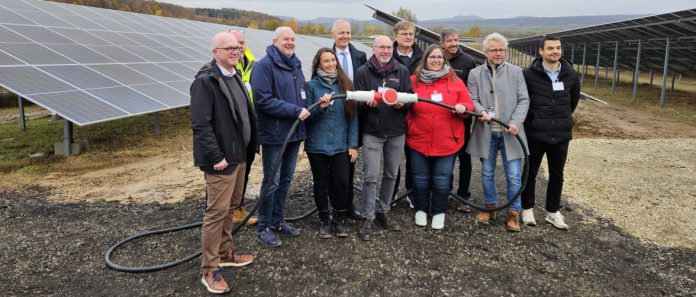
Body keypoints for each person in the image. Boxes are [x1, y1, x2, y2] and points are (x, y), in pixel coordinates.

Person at [190, 32, 256, 294]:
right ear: (215, 51)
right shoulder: (206, 82)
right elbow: (200, 124)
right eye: (228, 48)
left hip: (239, 156)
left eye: (237, 48)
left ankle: (226, 253)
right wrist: (216, 157)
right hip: (221, 161)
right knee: (216, 214)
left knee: (230, 208)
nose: (235, 52)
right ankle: (209, 269)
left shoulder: (235, 75)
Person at [251, 26, 308, 247]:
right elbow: (263, 100)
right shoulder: (264, 66)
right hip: (275, 135)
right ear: (275, 41)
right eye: (286, 39)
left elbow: (301, 95)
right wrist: (295, 111)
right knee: (272, 181)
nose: (290, 43)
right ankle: (263, 226)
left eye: (293, 39)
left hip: (294, 134)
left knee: (285, 179)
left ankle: (277, 220)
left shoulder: (295, 65)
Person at [466, 32, 529, 232]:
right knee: (486, 172)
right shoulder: (475, 74)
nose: (498, 53)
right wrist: (481, 111)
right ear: (485, 52)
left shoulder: (517, 72)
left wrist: (516, 122)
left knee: (513, 175)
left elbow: (524, 99)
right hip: (487, 132)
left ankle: (513, 213)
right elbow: (472, 99)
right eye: (494, 50)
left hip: (511, 133)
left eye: (502, 50)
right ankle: (490, 207)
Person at [407, 44, 474, 229]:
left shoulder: (454, 81)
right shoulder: (414, 81)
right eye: (432, 57)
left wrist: (464, 109)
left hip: (446, 140)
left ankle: (439, 211)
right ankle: (421, 209)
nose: (436, 60)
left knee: (442, 177)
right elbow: (404, 104)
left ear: (444, 60)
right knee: (420, 177)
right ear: (425, 60)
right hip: (418, 138)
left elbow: (468, 103)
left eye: (439, 57)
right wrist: (409, 123)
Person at [353, 35, 413, 241]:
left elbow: (410, 99)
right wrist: (366, 103)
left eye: (389, 47)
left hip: (396, 132)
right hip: (373, 132)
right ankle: (368, 217)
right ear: (374, 48)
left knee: (391, 175)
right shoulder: (363, 72)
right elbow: (357, 101)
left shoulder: (401, 71)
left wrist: (402, 104)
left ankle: (383, 212)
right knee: (370, 176)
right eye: (382, 47)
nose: (386, 50)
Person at [521, 36, 580, 230]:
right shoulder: (529, 75)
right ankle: (527, 208)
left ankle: (552, 212)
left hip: (561, 134)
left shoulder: (571, 75)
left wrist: (559, 119)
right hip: (536, 133)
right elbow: (525, 101)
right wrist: (535, 120)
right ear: (541, 51)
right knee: (530, 172)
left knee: (557, 174)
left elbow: (572, 102)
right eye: (550, 48)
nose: (555, 51)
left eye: (558, 48)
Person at [304, 48, 358, 238]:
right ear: (319, 64)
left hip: (340, 145)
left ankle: (339, 218)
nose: (330, 64)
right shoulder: (310, 86)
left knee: (342, 183)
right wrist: (321, 108)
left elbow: (352, 118)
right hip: (317, 145)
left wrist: (352, 145)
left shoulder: (346, 85)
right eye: (325, 61)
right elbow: (307, 119)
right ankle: (325, 219)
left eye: (333, 60)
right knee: (321, 183)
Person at [331, 19, 367, 221]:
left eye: (348, 32)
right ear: (333, 35)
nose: (345, 36)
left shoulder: (360, 56)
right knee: (334, 160)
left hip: (354, 113)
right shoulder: (326, 56)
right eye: (341, 32)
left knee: (350, 159)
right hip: (334, 114)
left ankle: (348, 205)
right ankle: (333, 204)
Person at [439, 28, 478, 213]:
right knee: (447, 157)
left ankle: (463, 195)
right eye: (450, 41)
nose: (454, 44)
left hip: (462, 120)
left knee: (464, 157)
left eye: (456, 40)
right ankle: (446, 191)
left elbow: (472, 91)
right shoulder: (437, 59)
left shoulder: (468, 61)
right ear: (442, 43)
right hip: (443, 120)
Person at [391, 20, 423, 207]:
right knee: (393, 157)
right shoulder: (388, 54)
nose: (408, 37)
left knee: (414, 157)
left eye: (411, 34)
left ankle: (411, 193)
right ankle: (392, 192)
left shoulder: (421, 56)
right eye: (404, 34)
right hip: (393, 113)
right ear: (396, 36)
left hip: (416, 113)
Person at [229, 29, 258, 226]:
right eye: (235, 43)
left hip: (250, 127)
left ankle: (237, 208)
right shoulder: (227, 67)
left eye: (242, 42)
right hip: (232, 130)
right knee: (229, 173)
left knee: (245, 169)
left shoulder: (252, 64)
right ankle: (224, 212)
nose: (239, 46)